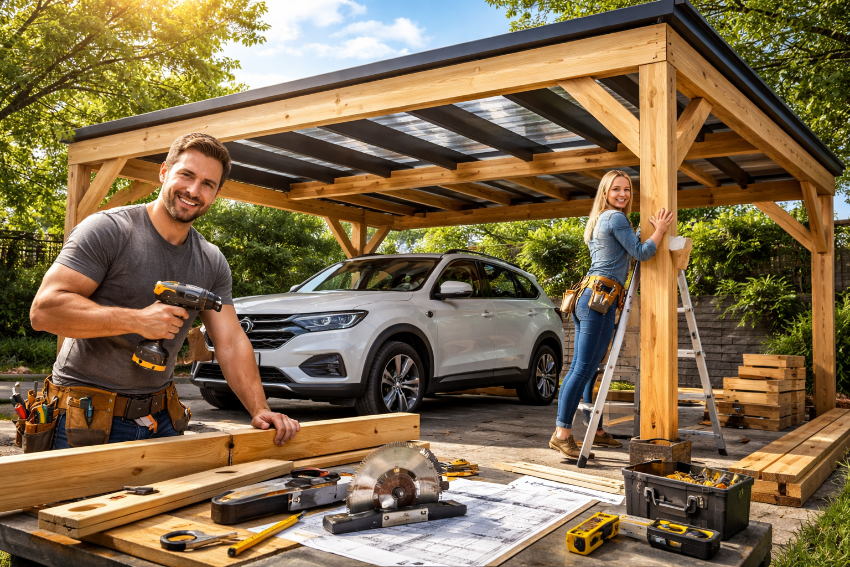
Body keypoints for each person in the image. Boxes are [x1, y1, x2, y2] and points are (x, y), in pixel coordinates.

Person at [30, 133, 301, 449]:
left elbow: (230, 341)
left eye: (207, 184)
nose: (193, 190)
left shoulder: (211, 260)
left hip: (160, 419)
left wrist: (260, 409)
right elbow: (44, 311)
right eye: (186, 175)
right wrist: (136, 321)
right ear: (164, 172)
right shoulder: (109, 230)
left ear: (216, 194)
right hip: (83, 420)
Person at [549, 170, 674, 459]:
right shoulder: (616, 218)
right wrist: (660, 230)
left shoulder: (601, 220)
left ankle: (597, 431)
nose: (622, 194)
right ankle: (562, 434)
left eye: (627, 189)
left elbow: (625, 251)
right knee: (582, 369)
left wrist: (643, 232)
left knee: (585, 368)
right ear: (605, 192)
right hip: (599, 300)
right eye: (616, 189)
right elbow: (642, 253)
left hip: (589, 297)